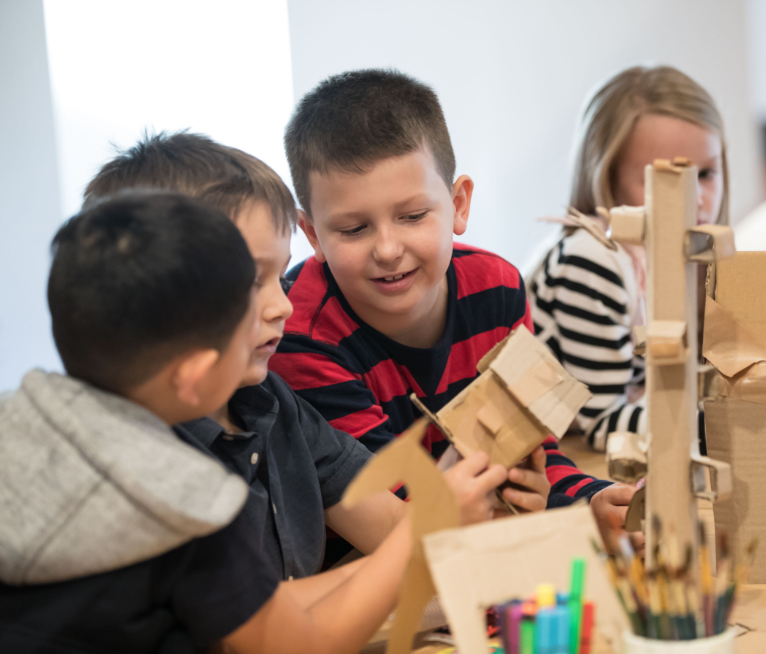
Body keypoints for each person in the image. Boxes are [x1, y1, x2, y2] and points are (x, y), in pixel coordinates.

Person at [0, 191, 506, 654]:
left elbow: (272, 607)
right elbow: (295, 645)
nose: (283, 306)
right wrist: (420, 533)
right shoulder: (185, 506)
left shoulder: (24, 426)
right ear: (195, 378)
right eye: (245, 315)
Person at [273, 68, 630, 536]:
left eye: (413, 216)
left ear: (459, 204)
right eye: (354, 229)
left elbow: (530, 447)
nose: (387, 249)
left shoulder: (499, 288)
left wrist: (585, 500)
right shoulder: (300, 334)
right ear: (313, 235)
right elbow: (395, 505)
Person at [82, 132, 407, 578]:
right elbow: (260, 628)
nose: (284, 307)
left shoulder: (273, 401)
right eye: (253, 282)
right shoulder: (135, 459)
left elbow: (400, 535)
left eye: (280, 275)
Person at [527, 65, 729, 453]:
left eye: (707, 173)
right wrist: (736, 420)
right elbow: (603, 423)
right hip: (559, 455)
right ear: (607, 178)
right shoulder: (594, 262)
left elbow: (693, 378)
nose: (699, 198)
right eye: (671, 178)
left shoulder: (693, 253)